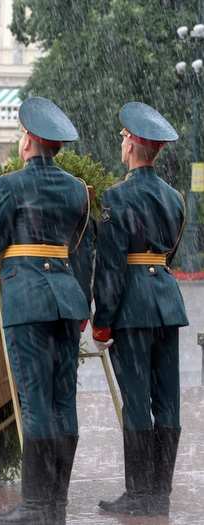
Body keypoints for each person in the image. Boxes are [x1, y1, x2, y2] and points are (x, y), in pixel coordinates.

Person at [0, 97, 92, 525]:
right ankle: (56, 503)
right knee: (62, 402)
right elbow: (80, 247)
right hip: (67, 300)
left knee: (34, 403)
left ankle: (35, 507)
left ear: (29, 141)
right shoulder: (77, 189)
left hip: (27, 299)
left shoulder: (10, 185)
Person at [92, 102, 188, 517]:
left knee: (136, 400)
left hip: (132, 307)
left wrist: (102, 321)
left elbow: (111, 267)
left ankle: (138, 494)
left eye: (122, 138)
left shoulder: (116, 197)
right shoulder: (174, 197)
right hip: (167, 303)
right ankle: (159, 493)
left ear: (131, 144)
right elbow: (169, 253)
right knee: (167, 399)